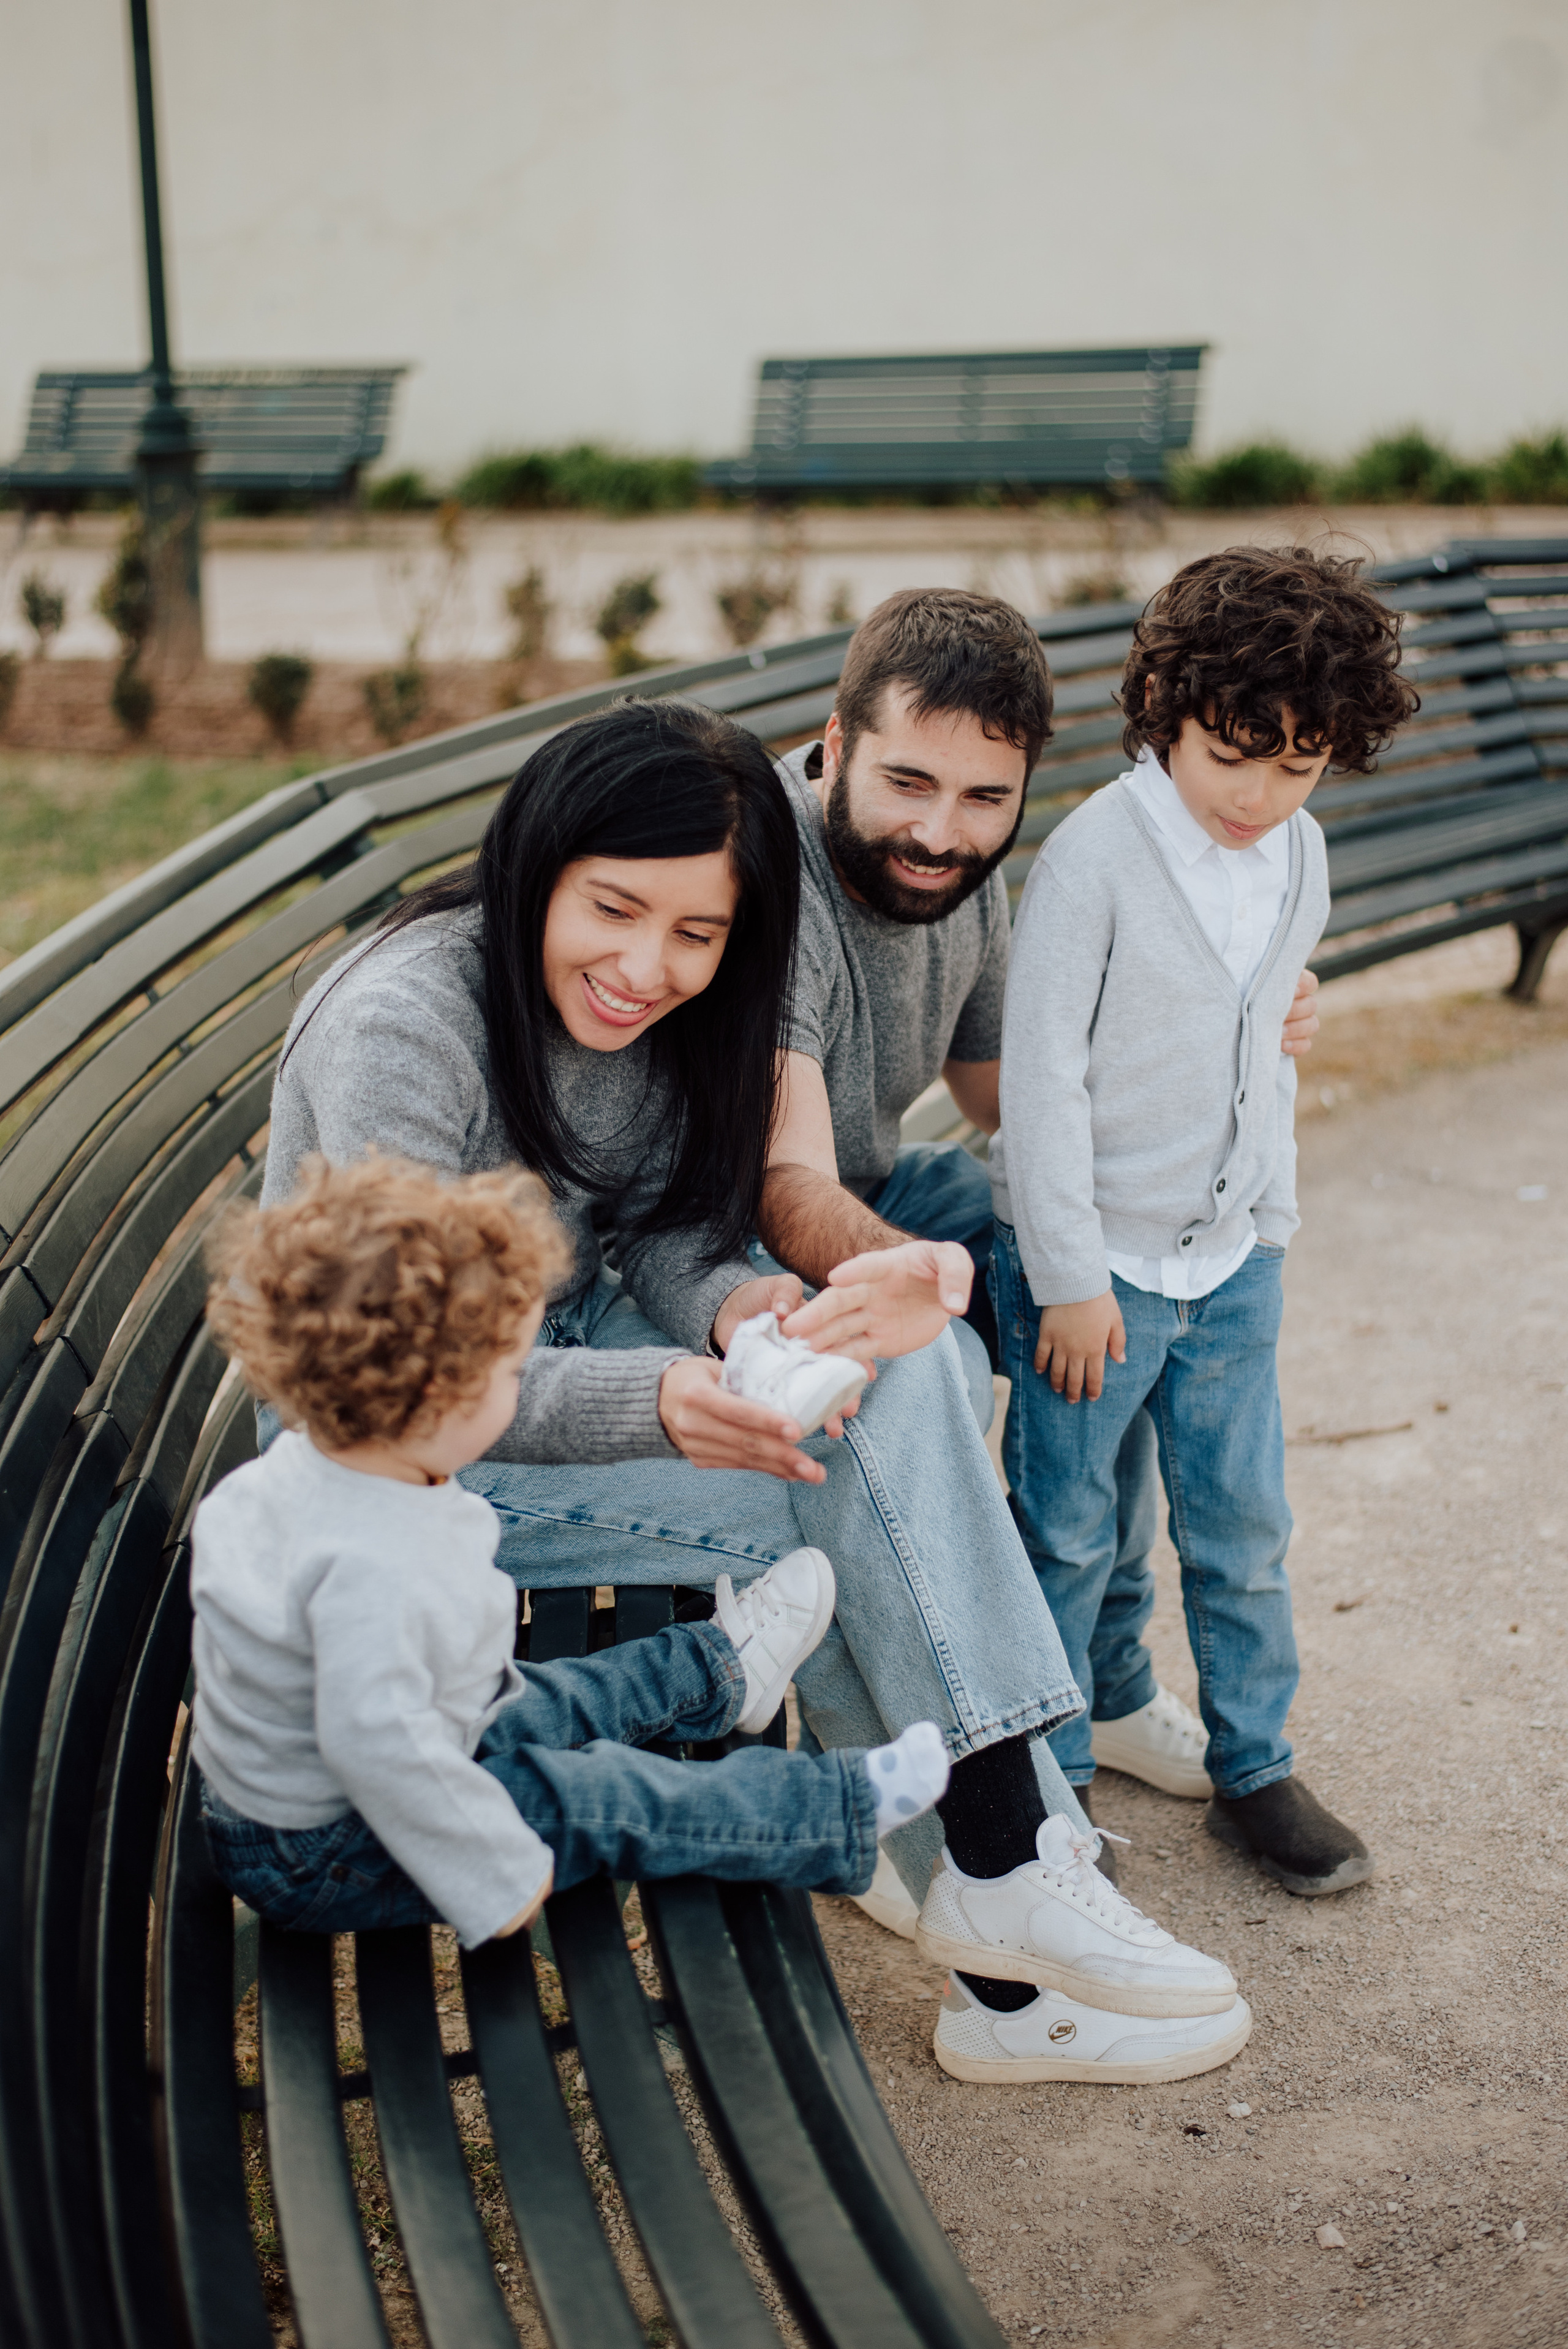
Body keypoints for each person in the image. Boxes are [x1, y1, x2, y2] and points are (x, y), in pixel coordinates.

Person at [262, 694, 1243, 2085]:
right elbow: (407, 1382)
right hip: (396, 1456)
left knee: (893, 1378)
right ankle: (1001, 1869)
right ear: (537, 861)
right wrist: (661, 1395)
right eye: (613, 908)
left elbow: (659, 1227)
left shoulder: (669, 1008)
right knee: (866, 1464)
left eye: (695, 934)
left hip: (557, 1353)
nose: (644, 966)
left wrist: (749, 1310)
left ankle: (979, 1885)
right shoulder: (406, 1024)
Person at [755, 588, 1321, 1905]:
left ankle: (1104, 1685)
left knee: (1112, 1294)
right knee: (955, 1360)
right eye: (905, 782)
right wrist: (943, 1278)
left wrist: (1227, 1024)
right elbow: (782, 1181)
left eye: (980, 798)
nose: (939, 831)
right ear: (833, 741)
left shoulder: (963, 870)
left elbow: (1010, 1089)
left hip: (882, 1180)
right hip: (746, 1222)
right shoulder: (769, 879)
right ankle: (946, 1787)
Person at [192, 1154, 953, 1939]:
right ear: (431, 1401)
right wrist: (493, 1876)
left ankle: (717, 1668)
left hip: (395, 1740)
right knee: (589, 1795)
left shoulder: (333, 1470)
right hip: (330, 1846)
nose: (524, 1386)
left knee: (555, 1697)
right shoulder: (369, 1563)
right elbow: (377, 1750)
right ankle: (830, 1810)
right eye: (509, 1370)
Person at [992, 545, 1417, 1896]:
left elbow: (1261, 1049)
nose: (1258, 793)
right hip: (1093, 1272)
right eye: (1233, 754)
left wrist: (1273, 1225)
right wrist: (1063, 1276)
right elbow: (1039, 1083)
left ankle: (1255, 1764)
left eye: (1295, 765)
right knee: (1068, 1531)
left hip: (1230, 1265)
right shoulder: (1092, 864)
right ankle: (1049, 1790)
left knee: (1238, 1530)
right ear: (1163, 710)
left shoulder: (1295, 854)